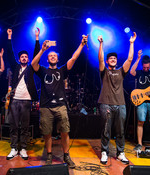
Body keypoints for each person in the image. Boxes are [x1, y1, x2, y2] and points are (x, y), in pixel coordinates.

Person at [31, 35, 88, 168]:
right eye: (50, 55)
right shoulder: (43, 70)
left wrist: (81, 44)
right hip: (46, 106)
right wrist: (43, 49)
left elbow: (73, 58)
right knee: (47, 132)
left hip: (61, 106)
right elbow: (33, 64)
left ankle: (66, 155)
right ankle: (49, 155)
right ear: (47, 58)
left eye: (54, 55)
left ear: (58, 58)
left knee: (65, 131)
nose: (52, 57)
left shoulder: (62, 70)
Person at [97, 32, 137, 164]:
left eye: (115, 58)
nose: (113, 59)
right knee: (105, 130)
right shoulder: (104, 71)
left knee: (120, 130)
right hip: (106, 104)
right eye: (111, 58)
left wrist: (131, 43)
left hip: (120, 104)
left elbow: (130, 59)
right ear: (108, 61)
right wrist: (101, 44)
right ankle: (104, 152)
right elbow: (101, 59)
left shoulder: (121, 71)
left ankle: (120, 153)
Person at [6, 28, 40, 160]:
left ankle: (23, 148)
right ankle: (14, 148)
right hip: (14, 100)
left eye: (26, 56)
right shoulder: (15, 67)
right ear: (19, 59)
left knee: (25, 126)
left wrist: (37, 37)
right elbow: (10, 53)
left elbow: (37, 53)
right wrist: (9, 37)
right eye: (22, 57)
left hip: (26, 101)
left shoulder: (31, 68)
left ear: (28, 58)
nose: (24, 58)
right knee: (14, 126)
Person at [130, 50, 150, 151]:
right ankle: (139, 143)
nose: (146, 69)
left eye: (148, 67)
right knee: (140, 122)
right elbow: (131, 71)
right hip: (141, 101)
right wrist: (138, 59)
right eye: (144, 67)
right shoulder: (140, 72)